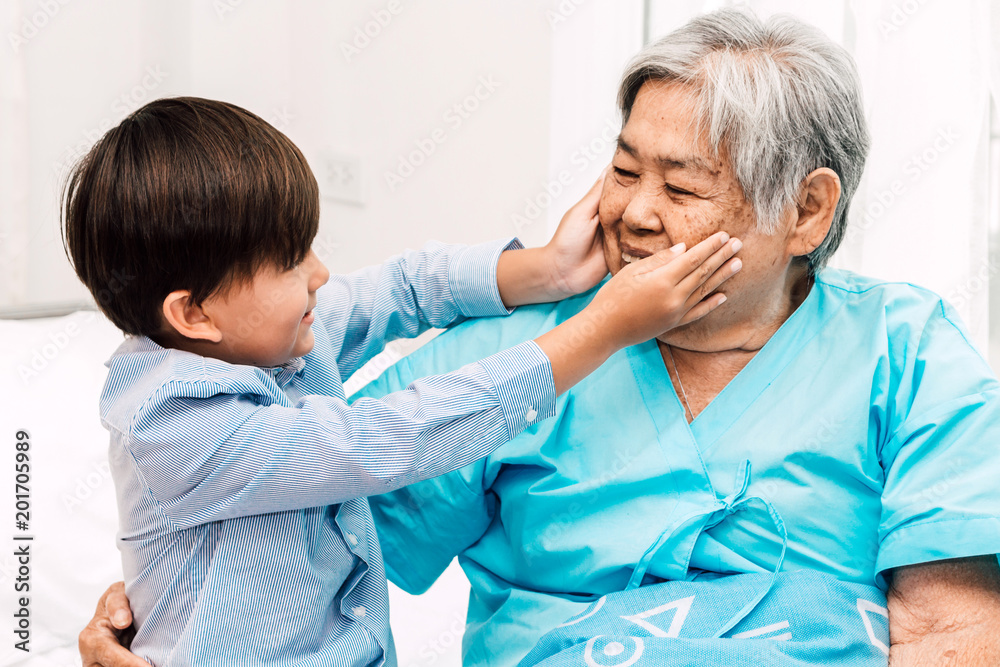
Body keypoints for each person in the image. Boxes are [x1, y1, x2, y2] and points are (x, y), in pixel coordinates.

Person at [82, 8, 1000, 666]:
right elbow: (301, 493)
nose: (635, 213)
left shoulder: (908, 350)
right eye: (623, 168)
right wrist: (157, 614)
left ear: (806, 210)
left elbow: (955, 632)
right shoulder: (508, 356)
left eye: (681, 190)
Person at [63, 96, 741, 666]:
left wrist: (546, 272)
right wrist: (600, 329)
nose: (320, 275)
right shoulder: (175, 427)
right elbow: (385, 436)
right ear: (193, 312)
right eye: (290, 264)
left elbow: (405, 287)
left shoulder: (265, 332)